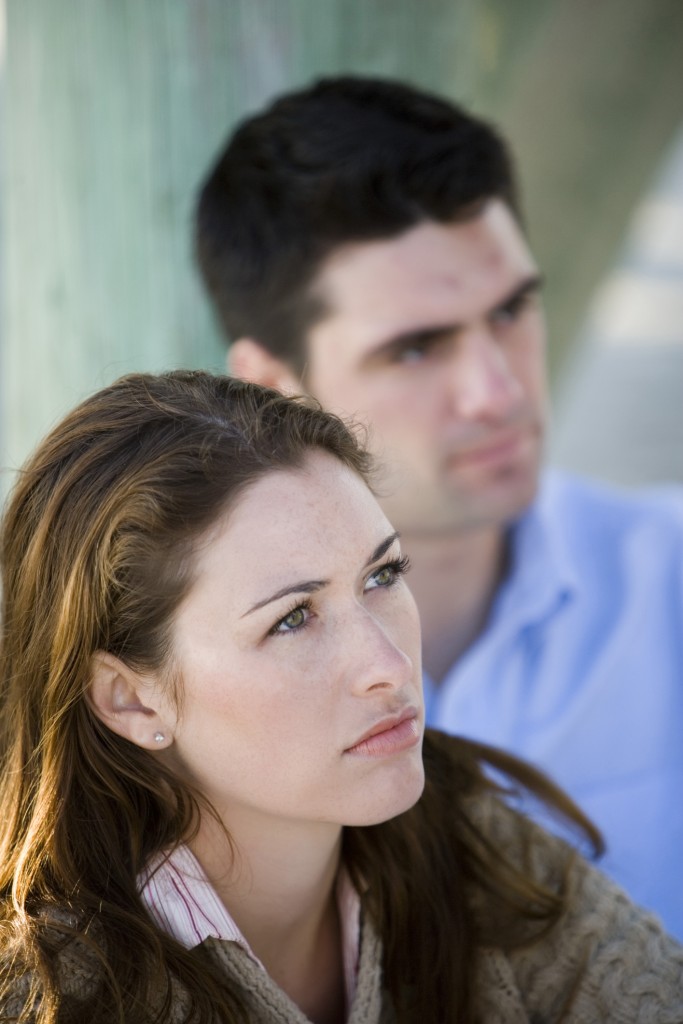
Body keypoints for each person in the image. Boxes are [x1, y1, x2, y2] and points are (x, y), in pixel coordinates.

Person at [0, 369, 682, 1024]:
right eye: (292, 618)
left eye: (382, 575)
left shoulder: (471, 837)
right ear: (132, 701)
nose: (387, 664)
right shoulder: (51, 997)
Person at [194, 75, 683, 939]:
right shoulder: (192, 703)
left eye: (510, 310)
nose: (496, 392)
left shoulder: (668, 575)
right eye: (415, 348)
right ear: (272, 384)